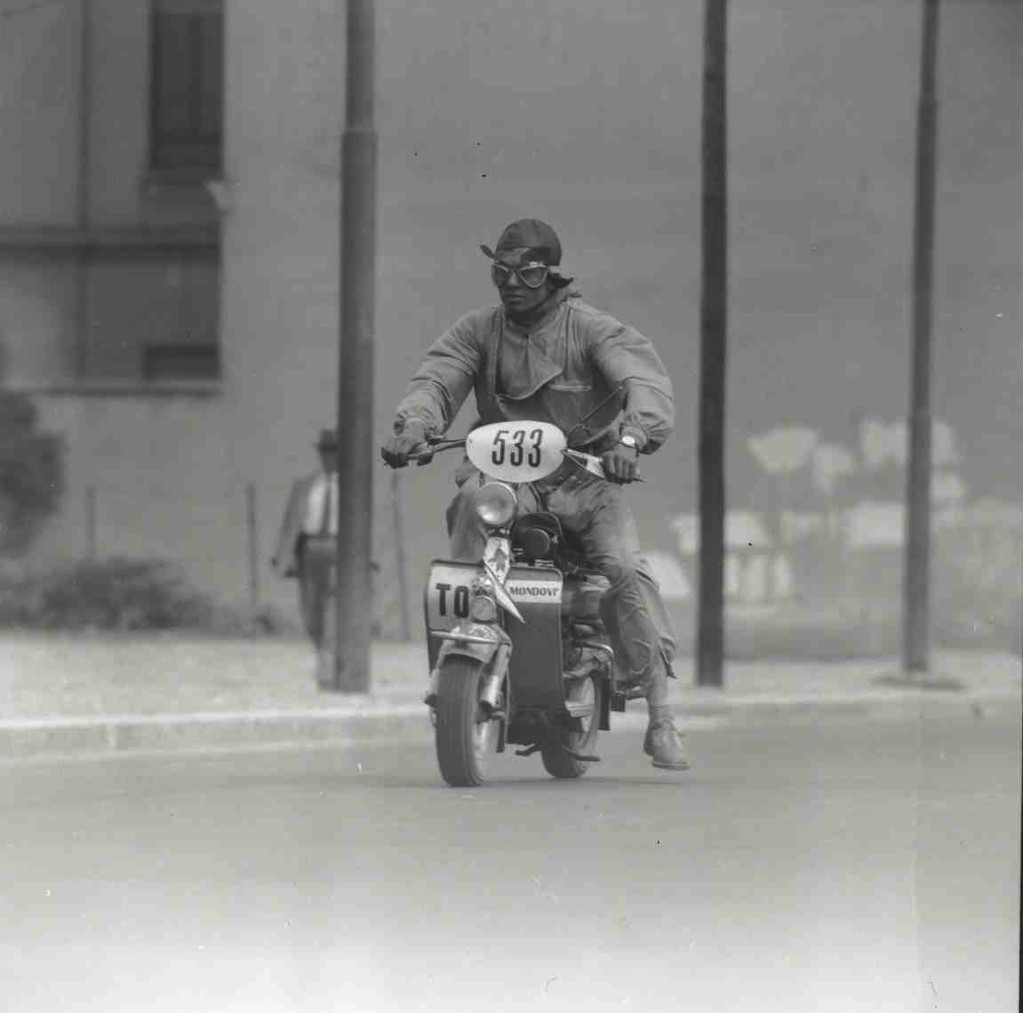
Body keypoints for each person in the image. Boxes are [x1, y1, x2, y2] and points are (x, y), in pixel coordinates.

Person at [381, 218, 688, 770]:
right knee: (470, 511)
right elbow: (437, 378)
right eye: (502, 271)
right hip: (507, 484)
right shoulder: (477, 331)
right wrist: (414, 426)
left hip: (589, 479)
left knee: (621, 568)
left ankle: (661, 716)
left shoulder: (592, 328)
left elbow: (644, 381)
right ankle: (463, 643)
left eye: (529, 271)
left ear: (552, 274)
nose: (513, 282)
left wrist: (631, 436)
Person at [272, 428, 340, 649]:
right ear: (320, 454)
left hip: (339, 547)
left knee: (335, 601)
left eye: (334, 451)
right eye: (326, 451)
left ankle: (331, 650)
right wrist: (283, 557)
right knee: (310, 604)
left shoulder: (352, 487)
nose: (330, 456)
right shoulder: (305, 485)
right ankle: (319, 645)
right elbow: (290, 524)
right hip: (310, 548)